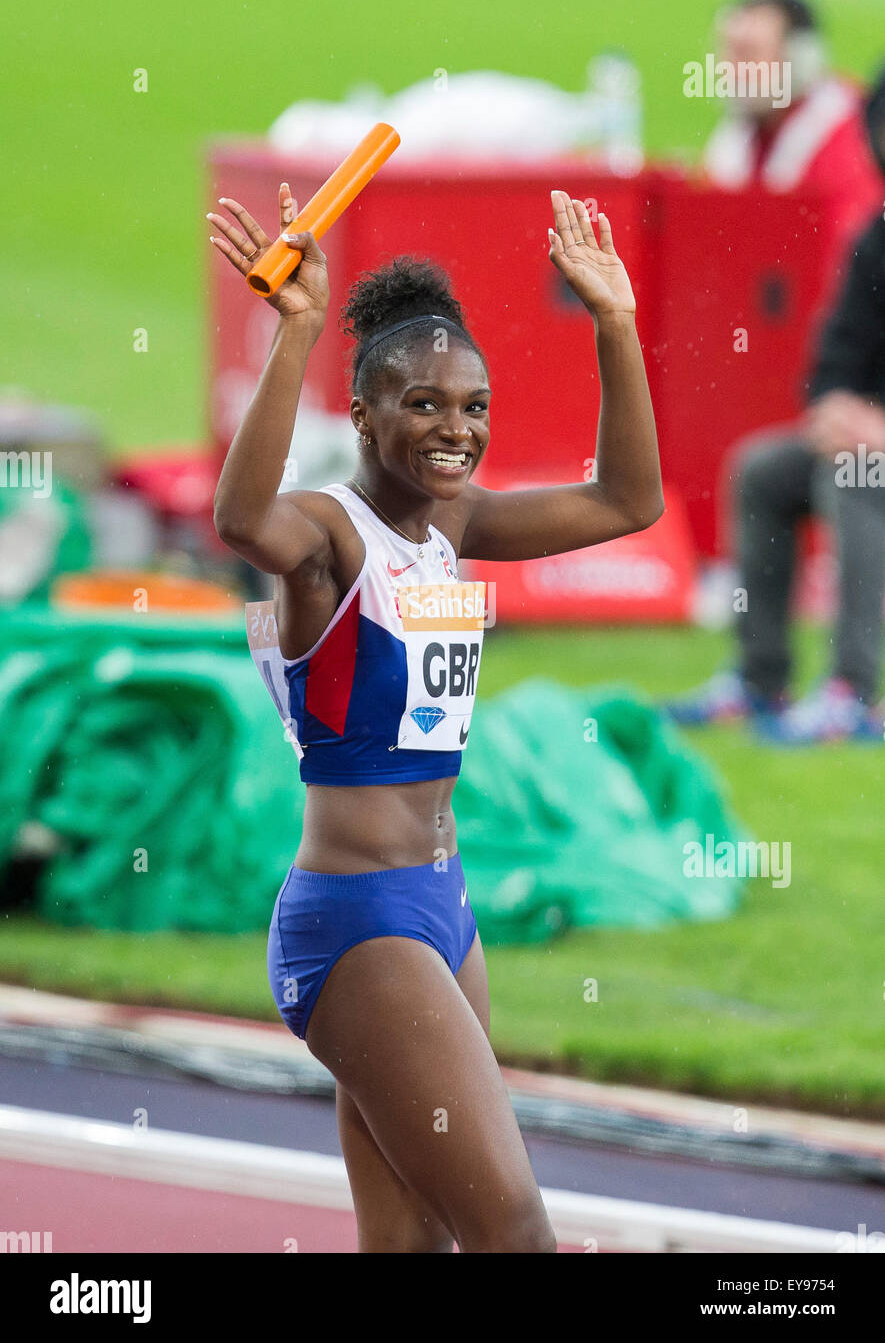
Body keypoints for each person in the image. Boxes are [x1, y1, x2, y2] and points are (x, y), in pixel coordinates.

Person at [208, 184, 663, 1252]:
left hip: (441, 910)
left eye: (473, 407)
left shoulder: (453, 525)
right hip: (357, 924)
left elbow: (626, 503)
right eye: (422, 404)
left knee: (412, 1245)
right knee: (513, 1232)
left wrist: (617, 324)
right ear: (363, 413)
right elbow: (239, 520)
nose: (454, 429)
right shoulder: (329, 534)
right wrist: (301, 331)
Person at [668, 67, 885, 744]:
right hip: (866, 443)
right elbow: (830, 365)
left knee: (851, 476)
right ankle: (759, 680)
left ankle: (852, 690)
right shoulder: (877, 238)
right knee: (763, 468)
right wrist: (835, 412)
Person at [703, 0, 881, 300]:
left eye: (750, 54)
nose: (733, 71)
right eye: (730, 53)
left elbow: (847, 268)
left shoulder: (847, 135)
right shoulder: (740, 133)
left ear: (800, 61)